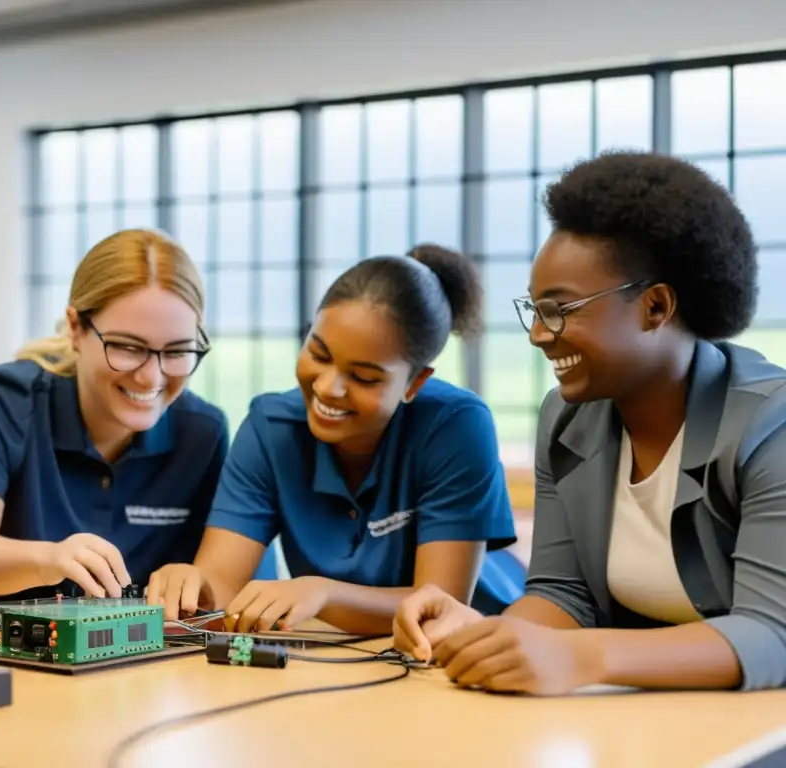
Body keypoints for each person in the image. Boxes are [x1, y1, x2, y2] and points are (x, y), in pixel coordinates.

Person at [393, 150, 786, 694]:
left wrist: (583, 658)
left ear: (656, 307)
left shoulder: (770, 425)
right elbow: (562, 594)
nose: (536, 335)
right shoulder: (566, 419)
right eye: (533, 310)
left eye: (561, 309)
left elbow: (771, 634)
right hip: (637, 724)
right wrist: (487, 632)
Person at [148, 244, 517, 635]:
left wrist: (323, 594)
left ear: (415, 382)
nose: (327, 388)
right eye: (319, 354)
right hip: (348, 652)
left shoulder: (457, 426)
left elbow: (441, 605)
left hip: (465, 652)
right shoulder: (269, 429)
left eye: (364, 378)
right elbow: (220, 587)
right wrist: (191, 587)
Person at [0, 229, 274, 602]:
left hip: (134, 658)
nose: (151, 376)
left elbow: (239, 582)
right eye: (127, 347)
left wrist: (198, 579)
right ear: (75, 329)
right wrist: (49, 559)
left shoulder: (202, 432)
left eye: (177, 350)